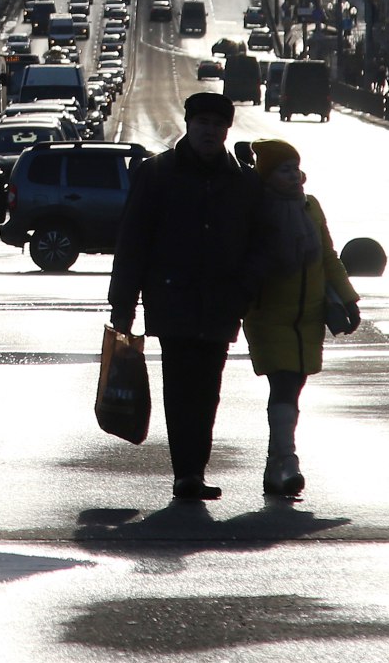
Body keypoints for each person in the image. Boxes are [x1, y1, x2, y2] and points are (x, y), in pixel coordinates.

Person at [109, 91, 262, 504]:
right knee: (179, 388)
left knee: (208, 389)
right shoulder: (157, 174)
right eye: (203, 124)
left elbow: (257, 242)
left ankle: (196, 469)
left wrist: (245, 290)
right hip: (171, 300)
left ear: (227, 131)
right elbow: (133, 243)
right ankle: (186, 474)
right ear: (188, 126)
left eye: (218, 125)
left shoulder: (243, 181)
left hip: (221, 302)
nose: (210, 132)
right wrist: (123, 304)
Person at [240, 139, 356, 501]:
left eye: (295, 168)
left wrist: (348, 298)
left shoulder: (310, 206)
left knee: (294, 386)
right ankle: (286, 462)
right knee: (285, 384)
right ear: (267, 174)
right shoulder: (255, 209)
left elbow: (328, 256)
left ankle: (276, 466)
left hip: (308, 316)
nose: (292, 175)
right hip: (270, 314)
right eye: (283, 169)